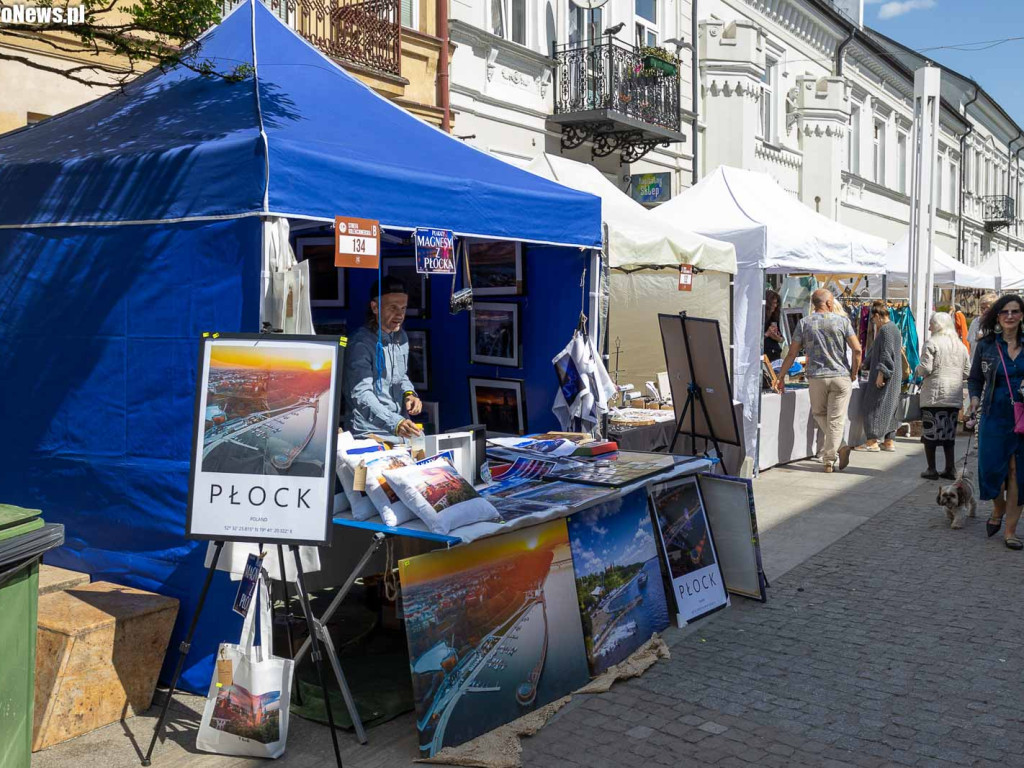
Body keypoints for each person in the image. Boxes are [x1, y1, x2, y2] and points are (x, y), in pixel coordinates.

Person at [775, 288, 863, 473]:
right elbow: (857, 350)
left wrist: (780, 376)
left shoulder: (804, 323)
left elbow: (792, 353)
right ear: (829, 303)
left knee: (819, 414)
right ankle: (831, 457)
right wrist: (854, 372)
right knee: (836, 420)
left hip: (816, 377)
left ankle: (837, 450)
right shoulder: (843, 321)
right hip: (840, 376)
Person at [968, 294, 1024, 551]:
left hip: (1022, 419)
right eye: (1005, 312)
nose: (1010, 316)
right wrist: (975, 399)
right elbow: (975, 378)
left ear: (1022, 315)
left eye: (1015, 311)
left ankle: (1010, 532)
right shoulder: (987, 345)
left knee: (1018, 474)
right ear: (998, 316)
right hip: (993, 415)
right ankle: (998, 507)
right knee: (991, 473)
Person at [342, 275, 423, 439]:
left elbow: (401, 376)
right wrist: (394, 423)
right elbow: (361, 395)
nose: (400, 315)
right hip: (369, 432)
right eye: (393, 308)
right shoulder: (359, 344)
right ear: (375, 307)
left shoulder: (401, 337)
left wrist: (409, 394)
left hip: (399, 427)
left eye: (403, 308)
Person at [840, 301, 902, 464]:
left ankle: (872, 441)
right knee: (891, 406)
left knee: (873, 405)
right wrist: (864, 364)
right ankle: (889, 441)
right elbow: (876, 350)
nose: (873, 323)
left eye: (873, 319)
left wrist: (882, 373)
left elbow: (886, 354)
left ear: (877, 316)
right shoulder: (893, 329)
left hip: (885, 375)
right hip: (894, 375)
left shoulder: (886, 330)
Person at [916, 312, 971, 480]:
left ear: (938, 325)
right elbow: (967, 371)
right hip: (953, 395)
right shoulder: (960, 345)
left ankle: (931, 468)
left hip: (934, 395)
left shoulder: (932, 343)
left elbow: (926, 368)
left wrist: (916, 370)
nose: (928, 327)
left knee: (930, 432)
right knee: (949, 434)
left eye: (931, 324)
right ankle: (950, 468)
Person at [968, 292, 998, 360]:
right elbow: (970, 343)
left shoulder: (999, 324)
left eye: (987, 308)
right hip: (975, 361)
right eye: (982, 308)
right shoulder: (975, 322)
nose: (984, 311)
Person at [764, 289, 784, 362]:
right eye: (773, 303)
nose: (775, 306)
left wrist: (776, 337)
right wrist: (767, 334)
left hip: (775, 353)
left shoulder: (774, 318)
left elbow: (781, 339)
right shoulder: (759, 319)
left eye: (776, 303)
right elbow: (754, 341)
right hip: (765, 354)